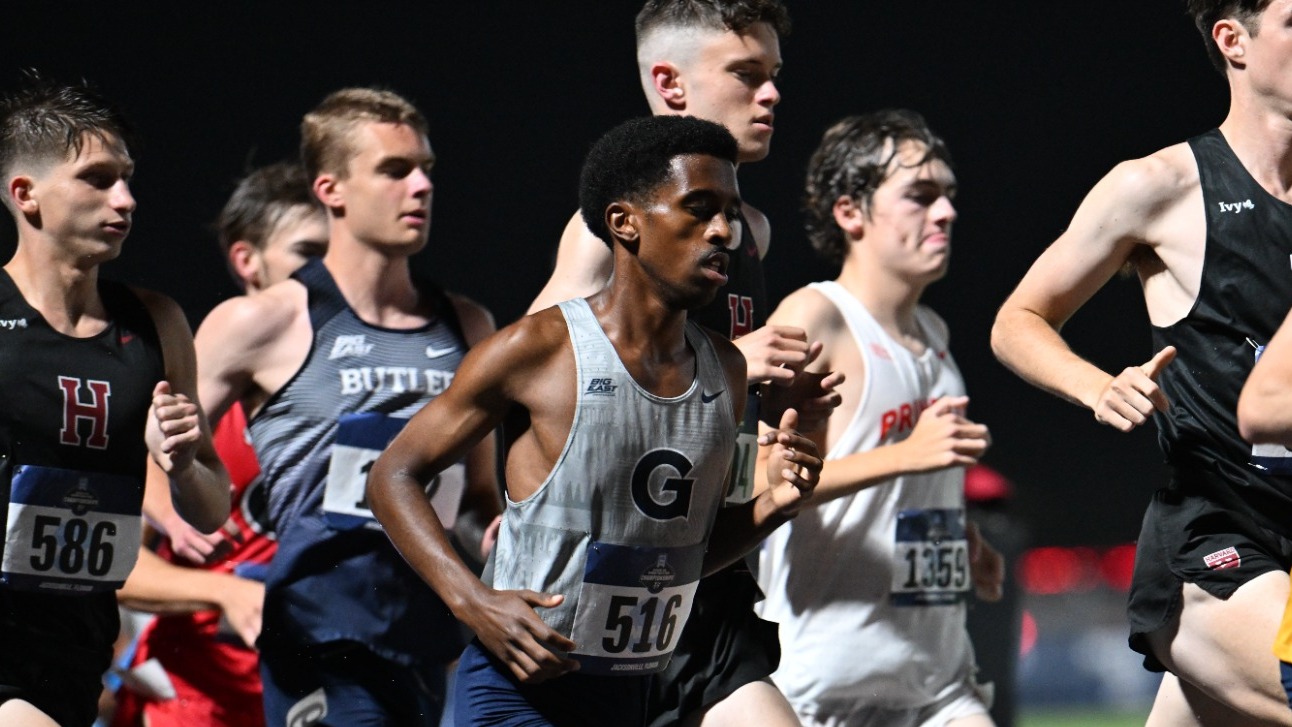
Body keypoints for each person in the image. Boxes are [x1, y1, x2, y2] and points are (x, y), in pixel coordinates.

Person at [367, 114, 823, 727]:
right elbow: (393, 474)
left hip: (628, 697)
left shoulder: (725, 369)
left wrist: (775, 505)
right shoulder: (539, 349)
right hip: (519, 695)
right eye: (698, 207)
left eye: (731, 213)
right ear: (624, 223)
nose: (723, 231)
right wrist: (473, 600)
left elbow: (680, 558)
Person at [528, 3, 840, 724]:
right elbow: (524, 371)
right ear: (670, 85)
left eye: (775, 77)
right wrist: (725, 365)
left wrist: (783, 409)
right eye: (747, 75)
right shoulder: (610, 225)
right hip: (605, 582)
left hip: (707, 578)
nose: (771, 95)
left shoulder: (751, 231)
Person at [991, 1, 1292, 722]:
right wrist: (1095, 385)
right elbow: (1017, 320)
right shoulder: (1160, 186)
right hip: (1219, 544)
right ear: (1233, 41)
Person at [192, 87, 501, 726]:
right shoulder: (260, 323)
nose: (420, 187)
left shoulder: (467, 326)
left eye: (426, 170)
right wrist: (170, 491)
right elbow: (155, 451)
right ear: (330, 190)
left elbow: (475, 501)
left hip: (431, 642)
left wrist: (497, 534)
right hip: (319, 638)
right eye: (394, 170)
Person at [754, 110, 998, 727]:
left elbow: (910, 481)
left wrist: (962, 538)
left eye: (948, 196)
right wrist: (907, 454)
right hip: (822, 687)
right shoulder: (817, 316)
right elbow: (761, 486)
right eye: (920, 196)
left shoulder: (934, 332)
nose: (945, 213)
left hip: (939, 684)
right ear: (849, 213)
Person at [0, 76, 230, 727]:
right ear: (27, 195)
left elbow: (212, 510)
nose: (125, 199)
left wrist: (183, 464)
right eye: (98, 179)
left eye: (127, 178)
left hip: (79, 647)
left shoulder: (155, 323)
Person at [111, 162, 328, 727]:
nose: (330, 276)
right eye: (308, 253)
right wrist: (223, 592)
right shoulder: (186, 414)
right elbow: (117, 568)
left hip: (327, 696)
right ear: (246, 261)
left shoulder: (370, 402)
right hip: (198, 704)